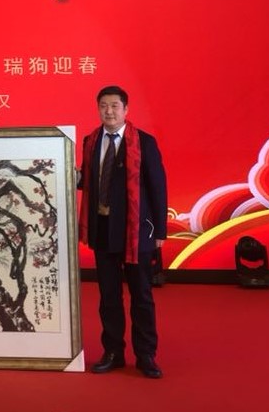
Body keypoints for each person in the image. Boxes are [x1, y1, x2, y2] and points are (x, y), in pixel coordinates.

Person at [79, 85, 167, 379]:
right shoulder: (90, 141)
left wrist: (160, 231)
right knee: (109, 297)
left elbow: (157, 186)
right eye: (103, 105)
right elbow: (86, 180)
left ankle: (146, 355)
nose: (109, 111)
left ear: (126, 109)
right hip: (103, 229)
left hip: (136, 232)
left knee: (142, 295)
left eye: (115, 105)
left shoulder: (144, 142)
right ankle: (113, 352)